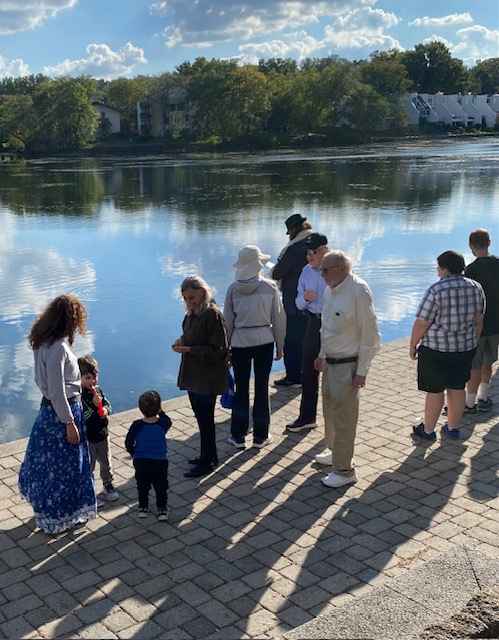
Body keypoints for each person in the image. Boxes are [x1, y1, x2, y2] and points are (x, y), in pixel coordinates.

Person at [18, 294, 97, 535]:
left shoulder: (42, 341)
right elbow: (57, 391)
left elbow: (42, 383)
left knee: (47, 466)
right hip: (62, 413)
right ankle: (61, 517)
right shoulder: (59, 348)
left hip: (48, 411)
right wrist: (69, 422)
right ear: (70, 320)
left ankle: (49, 512)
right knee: (67, 469)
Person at [314, 251, 381, 487]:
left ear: (342, 269)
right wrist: (321, 354)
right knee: (330, 412)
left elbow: (371, 335)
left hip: (348, 364)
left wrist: (361, 372)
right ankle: (335, 453)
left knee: (344, 418)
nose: (322, 275)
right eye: (320, 270)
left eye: (326, 270)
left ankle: (344, 471)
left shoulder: (358, 291)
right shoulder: (330, 290)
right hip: (331, 362)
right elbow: (327, 327)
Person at [410, 250, 485, 441]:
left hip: (436, 349)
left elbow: (422, 323)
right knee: (457, 387)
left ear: (444, 268)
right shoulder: (476, 287)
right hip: (464, 348)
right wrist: (473, 341)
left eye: (438, 267)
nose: (437, 270)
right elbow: (479, 320)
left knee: (435, 390)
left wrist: (413, 344)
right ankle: (453, 428)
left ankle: (428, 430)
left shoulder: (436, 290)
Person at [224, 245, 286, 449]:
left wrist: (227, 348)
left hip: (240, 342)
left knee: (241, 389)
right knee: (261, 387)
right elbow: (279, 318)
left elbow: (228, 321)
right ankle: (261, 435)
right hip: (264, 341)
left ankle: (238, 436)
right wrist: (280, 344)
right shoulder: (270, 287)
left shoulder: (233, 289)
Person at [172, 276, 229, 477]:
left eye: (192, 297)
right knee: (201, 418)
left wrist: (189, 349)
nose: (189, 302)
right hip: (193, 376)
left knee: (206, 421)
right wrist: (182, 340)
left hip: (207, 378)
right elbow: (190, 335)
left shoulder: (212, 315)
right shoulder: (191, 314)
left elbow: (219, 350)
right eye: (185, 298)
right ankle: (210, 456)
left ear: (202, 293)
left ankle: (206, 463)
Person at [286, 233, 329, 432]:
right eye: (307, 253)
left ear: (325, 250)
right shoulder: (306, 271)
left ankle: (335, 421)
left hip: (334, 324)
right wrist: (304, 298)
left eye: (314, 252)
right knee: (309, 370)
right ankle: (307, 417)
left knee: (335, 372)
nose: (310, 256)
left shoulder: (337, 268)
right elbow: (298, 303)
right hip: (313, 322)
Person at [270, 213, 315, 387]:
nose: (288, 236)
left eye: (289, 232)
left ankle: (293, 377)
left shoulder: (295, 248)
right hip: (315, 304)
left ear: (294, 230)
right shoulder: (317, 244)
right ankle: (308, 375)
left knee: (292, 342)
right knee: (308, 341)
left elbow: (276, 273)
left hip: (294, 305)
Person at [463, 229, 499, 413]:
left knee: (474, 365)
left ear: (471, 246)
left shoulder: (470, 270)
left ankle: (470, 403)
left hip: (477, 324)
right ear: (489, 243)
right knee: (488, 362)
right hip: (496, 324)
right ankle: (483, 396)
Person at [125, 390, 171, 521]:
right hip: (160, 462)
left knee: (142, 486)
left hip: (141, 461)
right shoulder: (162, 424)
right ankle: (162, 509)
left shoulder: (137, 425)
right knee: (161, 486)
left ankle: (143, 508)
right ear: (158, 408)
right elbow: (168, 421)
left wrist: (132, 451)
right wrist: (161, 412)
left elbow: (128, 441)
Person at [78, 355, 118, 503]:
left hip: (102, 434)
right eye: (88, 378)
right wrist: (95, 407)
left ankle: (108, 483)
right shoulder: (79, 396)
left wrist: (105, 410)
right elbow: (83, 416)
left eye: (94, 377)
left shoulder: (99, 391)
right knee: (89, 465)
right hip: (88, 438)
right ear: (79, 378)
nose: (92, 381)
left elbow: (108, 405)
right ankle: (89, 491)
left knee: (106, 461)